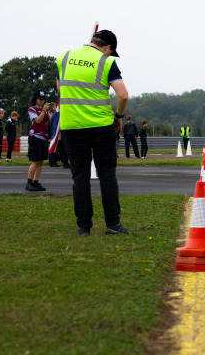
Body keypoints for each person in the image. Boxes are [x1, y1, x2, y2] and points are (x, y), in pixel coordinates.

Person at [57, 29, 129, 235]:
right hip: (100, 126)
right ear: (107, 47)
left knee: (80, 177)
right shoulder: (106, 63)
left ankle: (83, 226)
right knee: (107, 175)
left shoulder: (64, 57)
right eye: (110, 52)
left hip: (72, 126)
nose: (109, 55)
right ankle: (113, 224)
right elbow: (123, 96)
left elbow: (60, 88)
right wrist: (119, 117)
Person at [25, 92, 51, 191]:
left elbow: (50, 121)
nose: (41, 101)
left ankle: (36, 182)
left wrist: (52, 112)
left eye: (43, 99)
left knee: (40, 162)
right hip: (35, 137)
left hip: (43, 138)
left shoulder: (45, 110)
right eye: (40, 99)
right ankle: (29, 182)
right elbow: (38, 121)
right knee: (35, 161)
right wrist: (44, 111)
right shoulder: (32, 109)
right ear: (35, 99)